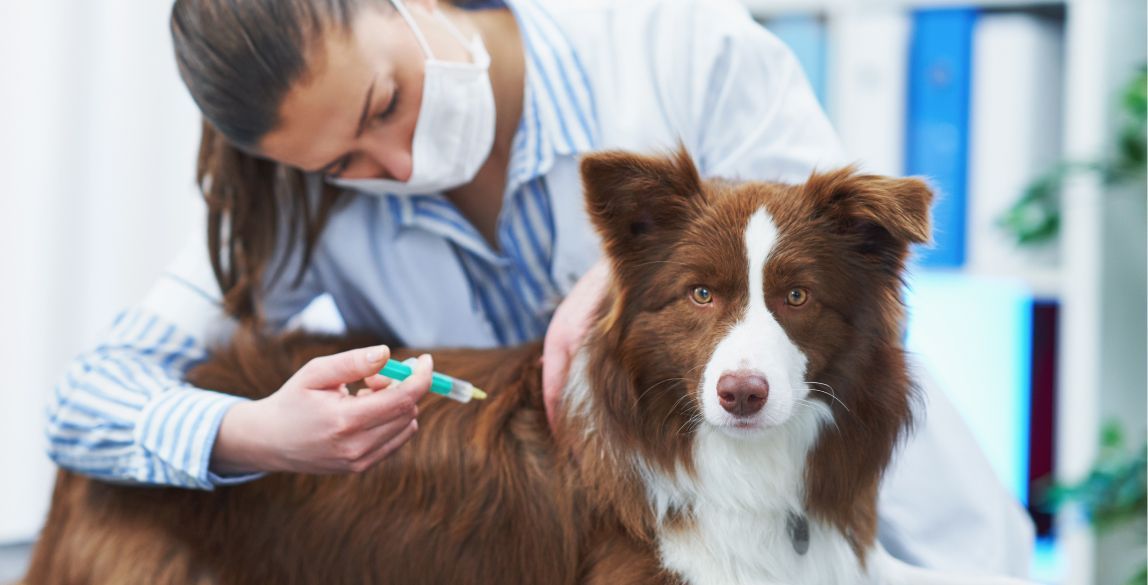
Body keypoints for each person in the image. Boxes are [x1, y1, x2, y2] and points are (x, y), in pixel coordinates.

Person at [46, 0, 1035, 575]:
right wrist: (253, 435)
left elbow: (821, 250)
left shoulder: (675, 44)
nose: (392, 163)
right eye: (343, 161)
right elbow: (88, 398)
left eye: (385, 103)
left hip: (872, 520)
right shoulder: (305, 213)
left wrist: (635, 271)